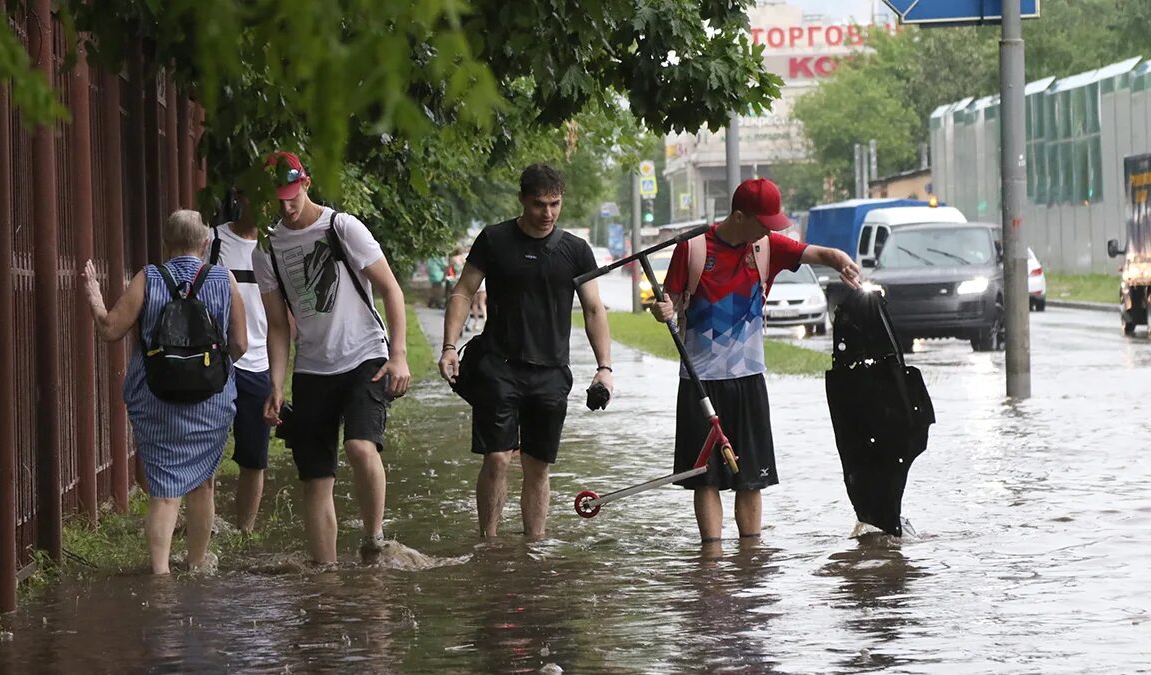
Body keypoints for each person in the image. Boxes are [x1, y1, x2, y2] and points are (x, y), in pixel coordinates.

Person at [648, 178, 860, 543]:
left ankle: (750, 560)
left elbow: (818, 254)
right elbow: (669, 302)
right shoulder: (694, 247)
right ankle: (711, 561)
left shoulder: (767, 247)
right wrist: (661, 309)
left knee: (751, 479)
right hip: (700, 382)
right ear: (739, 215)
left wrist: (839, 258)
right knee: (706, 478)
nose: (770, 230)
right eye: (764, 222)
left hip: (749, 379)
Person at [438, 163, 613, 539]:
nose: (547, 213)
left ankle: (534, 547)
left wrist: (605, 367)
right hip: (498, 365)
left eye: (555, 204)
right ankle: (490, 544)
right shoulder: (494, 240)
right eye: (538, 204)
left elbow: (594, 310)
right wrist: (450, 345)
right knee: (498, 458)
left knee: (537, 466)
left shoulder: (576, 250)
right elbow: (464, 291)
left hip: (551, 371)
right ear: (522, 199)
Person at [252, 151, 411, 563]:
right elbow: (278, 325)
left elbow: (392, 290)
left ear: (305, 183)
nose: (286, 207)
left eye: (292, 195)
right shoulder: (267, 250)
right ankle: (325, 574)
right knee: (315, 476)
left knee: (360, 447)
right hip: (312, 369)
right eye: (278, 199)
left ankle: (374, 540)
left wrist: (399, 356)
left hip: (365, 356)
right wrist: (275, 383)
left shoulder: (342, 227)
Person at [83, 209, 248, 574]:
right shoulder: (224, 280)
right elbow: (239, 344)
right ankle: (197, 565)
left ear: (167, 244)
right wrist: (208, 371)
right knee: (203, 483)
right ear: (205, 244)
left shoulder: (149, 277)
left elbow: (110, 329)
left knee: (164, 489)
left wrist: (94, 296)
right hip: (211, 402)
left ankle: (160, 574)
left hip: (155, 399)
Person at [209, 189, 271, 531]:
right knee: (207, 452)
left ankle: (244, 531)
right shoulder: (214, 241)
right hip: (217, 361)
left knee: (254, 457)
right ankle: (208, 523)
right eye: (256, 197)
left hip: (259, 364)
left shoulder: (276, 246)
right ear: (241, 199)